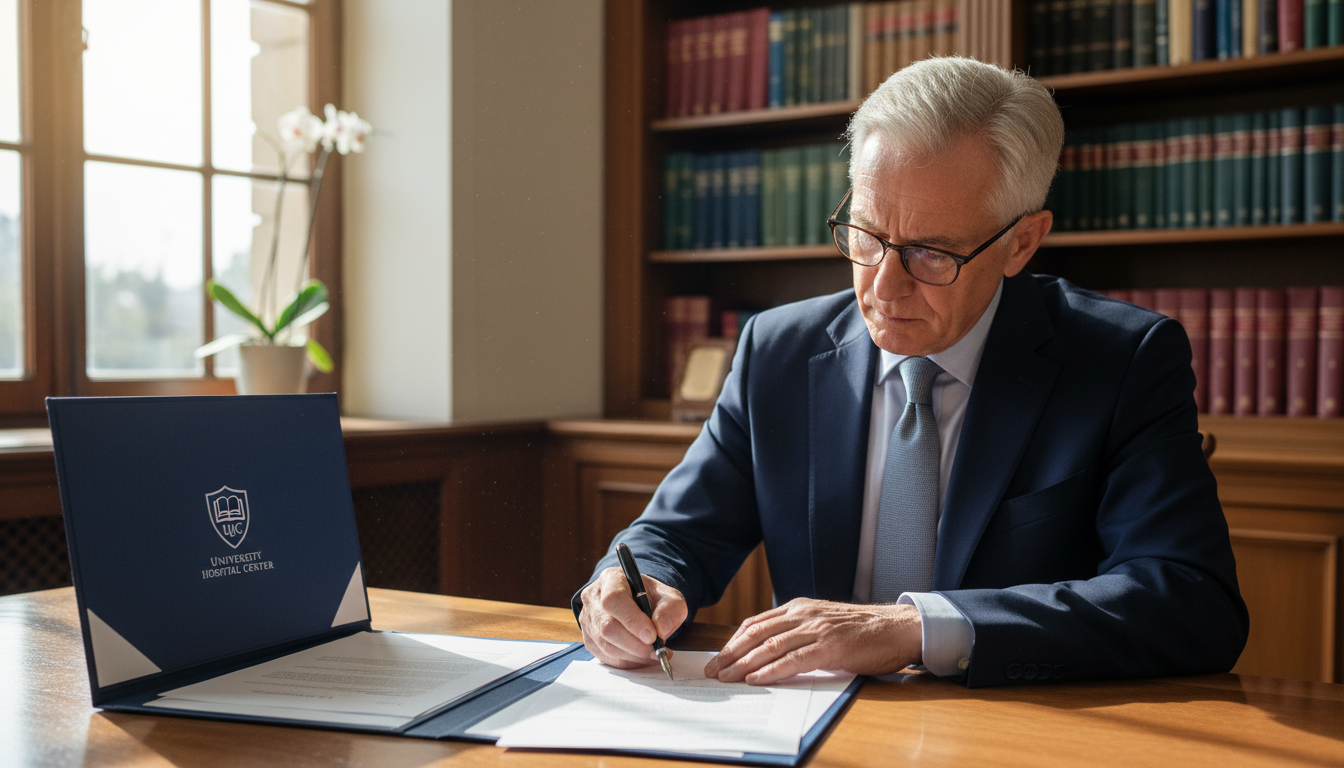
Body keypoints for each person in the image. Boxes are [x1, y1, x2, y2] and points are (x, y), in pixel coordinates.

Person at [575, 56, 1248, 688]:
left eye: (930, 252)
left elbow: (1190, 599)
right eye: (866, 236)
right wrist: (631, 586)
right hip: (800, 726)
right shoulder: (778, 349)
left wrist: (913, 628)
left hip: (1008, 735)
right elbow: (674, 535)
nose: (884, 288)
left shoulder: (1122, 361)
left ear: (1022, 242)